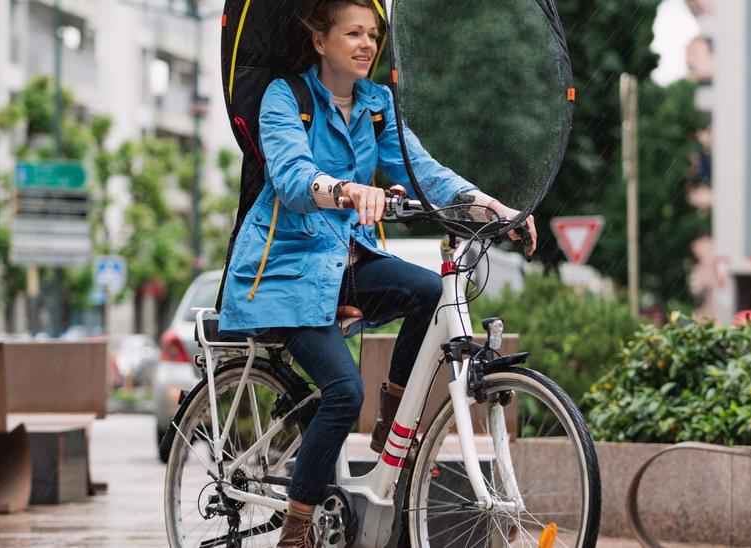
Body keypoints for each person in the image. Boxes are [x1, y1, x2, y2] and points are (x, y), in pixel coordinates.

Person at [215, 1, 538, 545]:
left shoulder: (376, 105)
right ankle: (296, 528)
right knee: (342, 392)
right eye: (353, 33)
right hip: (287, 272)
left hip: (347, 264)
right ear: (320, 41)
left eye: (373, 34)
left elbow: (422, 171)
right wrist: (344, 189)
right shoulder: (285, 97)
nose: (366, 44)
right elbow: (293, 178)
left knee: (432, 292)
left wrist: (491, 208)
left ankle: (394, 428)